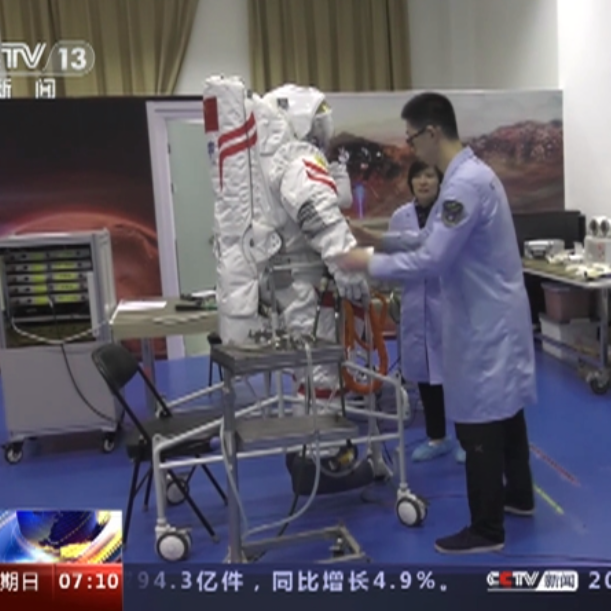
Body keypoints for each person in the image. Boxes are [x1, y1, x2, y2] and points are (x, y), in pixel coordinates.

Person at [338, 92, 537, 554]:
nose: (410, 148)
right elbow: (429, 237)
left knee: (480, 416)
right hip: (493, 314)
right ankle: (519, 496)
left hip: (484, 323)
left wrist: (367, 262)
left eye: (411, 139)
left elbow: (432, 258)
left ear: (431, 132)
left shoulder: (465, 185)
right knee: (506, 409)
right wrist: (377, 241)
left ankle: (487, 529)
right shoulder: (468, 177)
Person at [202, 76, 367, 398]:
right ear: (300, 121)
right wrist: (349, 265)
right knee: (319, 368)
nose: (321, 135)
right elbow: (318, 214)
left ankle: (311, 423)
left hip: (285, 279)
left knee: (307, 366)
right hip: (304, 280)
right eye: (317, 125)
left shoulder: (270, 161)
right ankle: (322, 431)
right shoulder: (297, 160)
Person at [387, 161, 465, 463]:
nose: (423, 181)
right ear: (410, 183)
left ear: (439, 181)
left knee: (454, 375)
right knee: (425, 377)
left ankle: (466, 439)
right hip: (414, 301)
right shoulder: (400, 217)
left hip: (448, 301)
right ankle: (437, 437)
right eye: (418, 176)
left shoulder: (452, 213)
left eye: (429, 175)